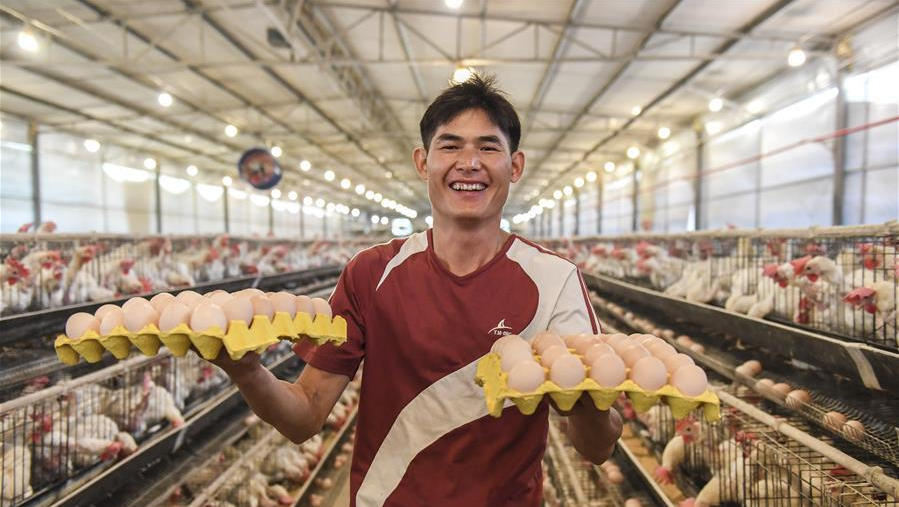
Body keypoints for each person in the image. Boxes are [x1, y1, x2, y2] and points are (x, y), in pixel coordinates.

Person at [212, 74, 622, 507]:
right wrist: (247, 372)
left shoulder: (555, 280)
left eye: (488, 147)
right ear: (423, 162)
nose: (469, 162)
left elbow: (596, 448)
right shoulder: (371, 272)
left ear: (515, 166)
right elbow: (306, 415)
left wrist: (585, 398)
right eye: (450, 146)